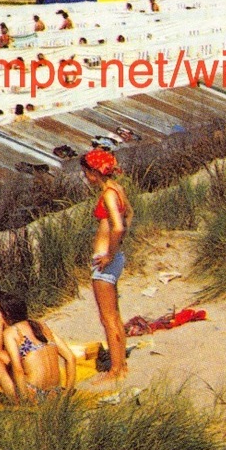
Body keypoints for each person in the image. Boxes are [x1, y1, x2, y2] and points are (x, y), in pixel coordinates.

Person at [82, 147, 132, 384]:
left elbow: (119, 226)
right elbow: (128, 216)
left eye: (86, 173)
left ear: (94, 173)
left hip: (105, 260)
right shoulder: (117, 190)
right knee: (114, 316)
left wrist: (109, 254)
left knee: (108, 318)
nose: (85, 178)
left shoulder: (109, 194)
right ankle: (120, 364)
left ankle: (115, 370)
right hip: (112, 257)